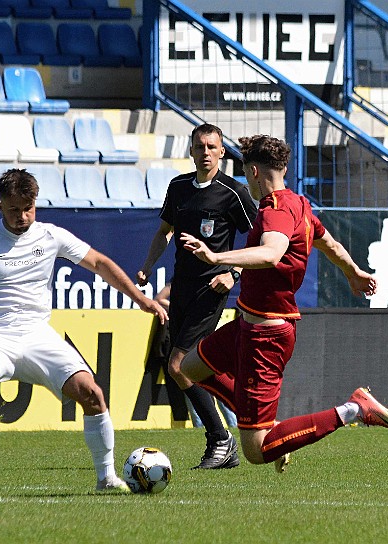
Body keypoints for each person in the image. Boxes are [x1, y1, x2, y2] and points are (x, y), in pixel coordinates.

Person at [0, 168, 167, 492]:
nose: (22, 216)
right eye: (14, 209)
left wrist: (141, 299)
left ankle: (106, 478)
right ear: (0, 205)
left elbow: (99, 263)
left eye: (28, 208)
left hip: (38, 335)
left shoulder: (50, 236)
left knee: (93, 394)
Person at [178, 135, 388, 473]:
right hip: (247, 326)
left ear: (253, 171)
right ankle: (273, 429)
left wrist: (215, 255)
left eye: (244, 173)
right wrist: (353, 272)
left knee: (257, 451)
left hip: (264, 337)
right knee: (191, 368)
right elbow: (328, 243)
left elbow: (271, 253)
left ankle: (354, 409)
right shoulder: (298, 203)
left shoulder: (275, 210)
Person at [137, 123, 258, 469]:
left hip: (211, 288)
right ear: (191, 151)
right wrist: (147, 265)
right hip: (182, 288)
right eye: (199, 146)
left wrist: (232, 273)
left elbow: (261, 241)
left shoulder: (232, 192)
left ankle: (221, 439)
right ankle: (244, 415)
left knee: (178, 364)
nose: (205, 152)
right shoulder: (178, 188)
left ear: (222, 152)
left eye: (212, 146)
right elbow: (164, 231)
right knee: (190, 366)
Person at [154, 283, 237, 428]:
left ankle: (230, 424)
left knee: (212, 384)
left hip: (207, 342)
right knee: (195, 382)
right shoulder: (180, 284)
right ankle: (206, 426)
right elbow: (159, 299)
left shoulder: (214, 281)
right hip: (196, 343)